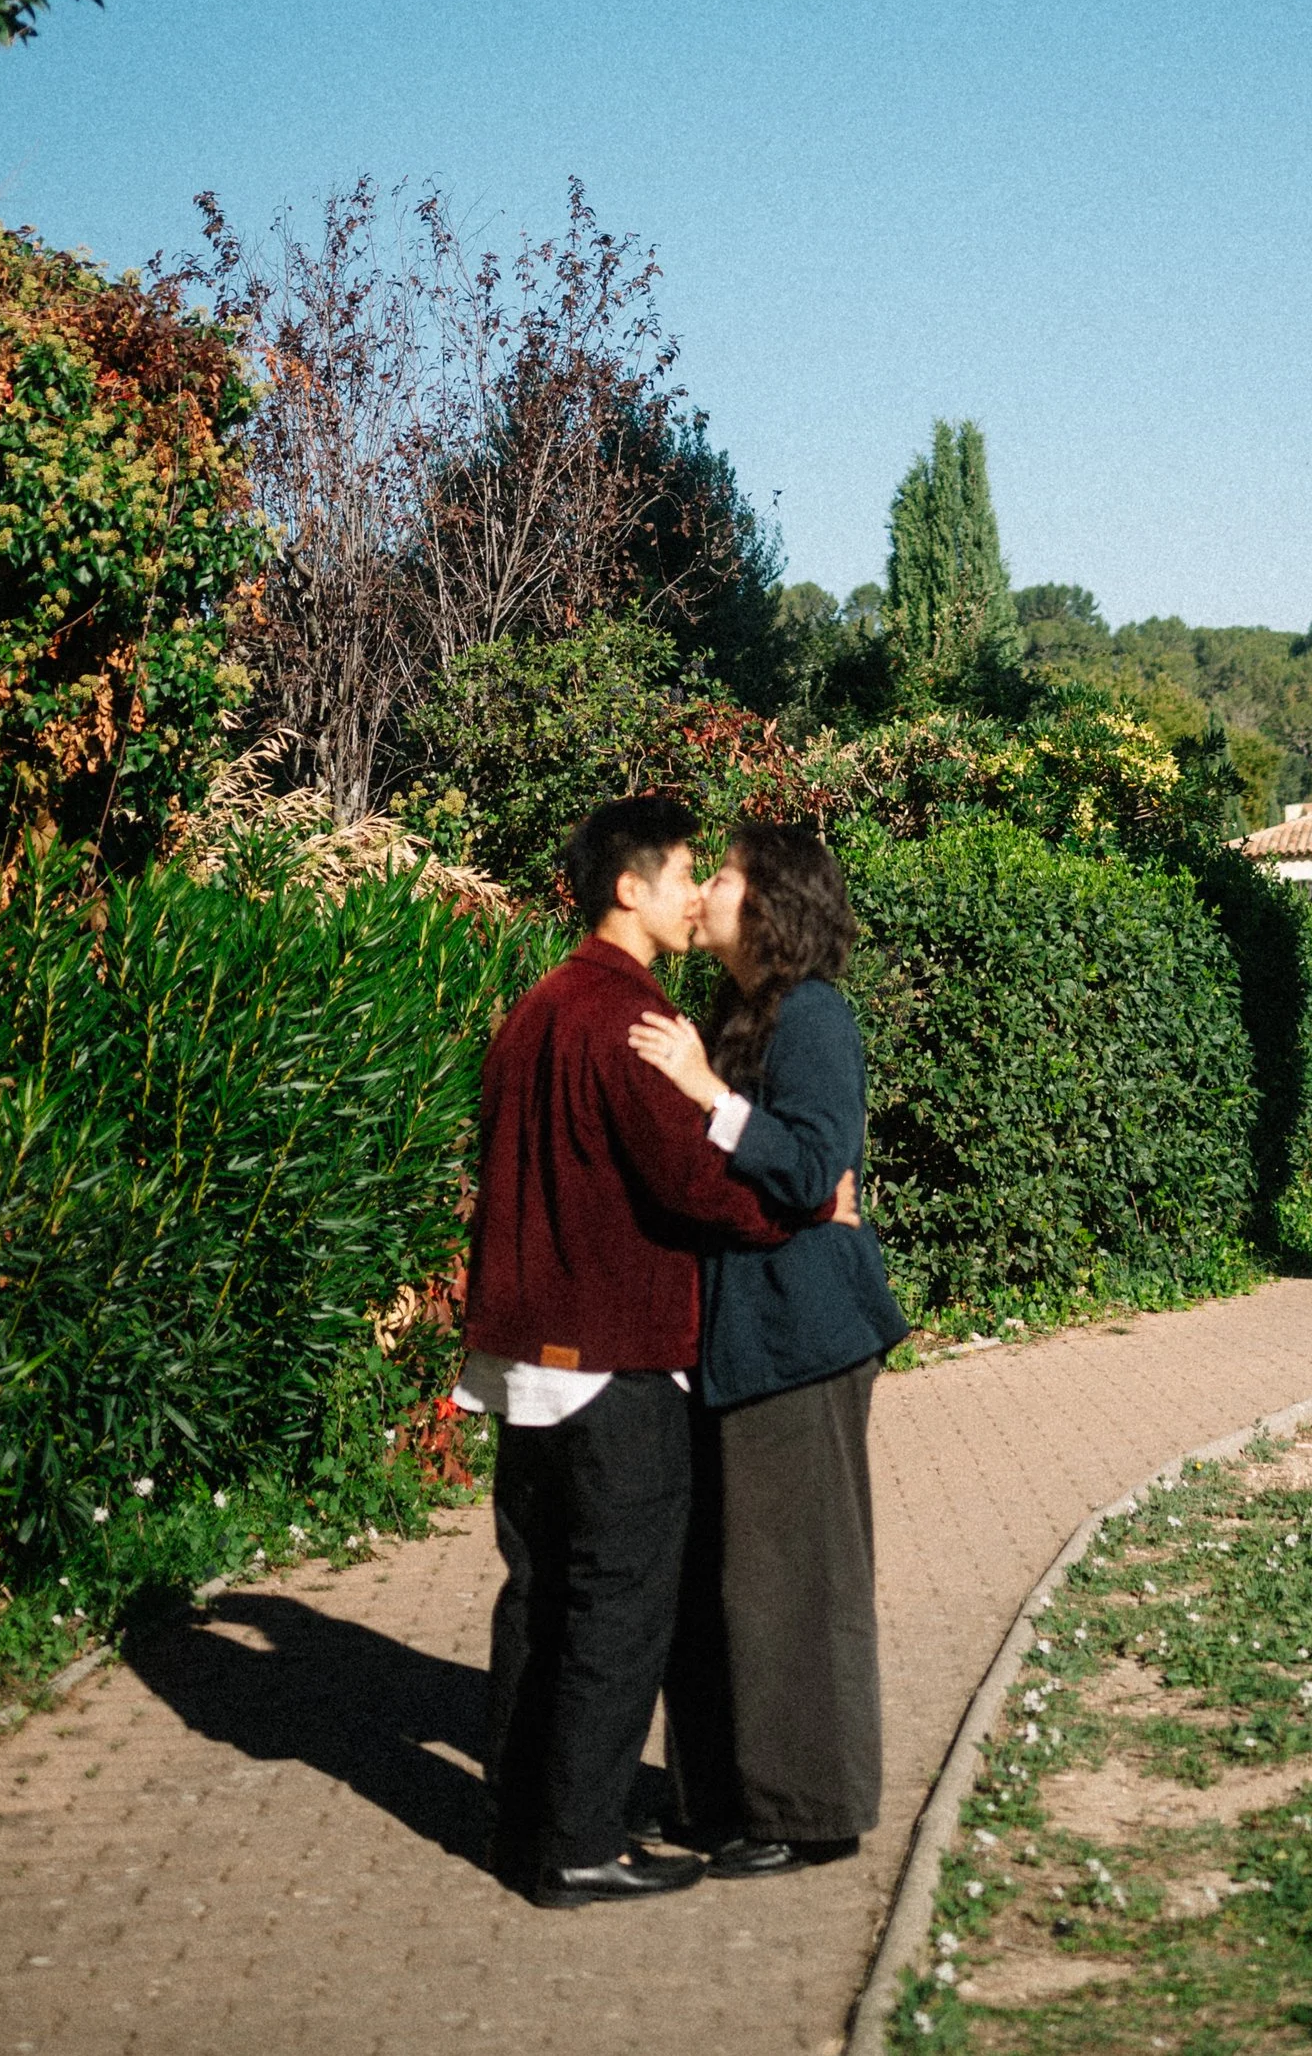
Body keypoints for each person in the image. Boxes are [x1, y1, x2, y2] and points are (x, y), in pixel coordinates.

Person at [457, 790, 793, 1910]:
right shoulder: (628, 1015)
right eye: (685, 870)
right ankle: (578, 1843)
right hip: (611, 1351)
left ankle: (524, 1818)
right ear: (629, 887)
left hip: (524, 1353)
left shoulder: (537, 1007)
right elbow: (690, 1176)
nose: (697, 889)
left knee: (540, 1589)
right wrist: (797, 1206)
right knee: (618, 1599)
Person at [630, 820, 906, 1874]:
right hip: (742, 1337)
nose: (709, 889)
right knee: (726, 1576)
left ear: (774, 904)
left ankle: (811, 1811)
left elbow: (809, 1166)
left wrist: (709, 1095)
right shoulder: (743, 1014)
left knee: (796, 1579)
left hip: (801, 1334)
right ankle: (722, 1799)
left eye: (731, 874)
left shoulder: (815, 1018)